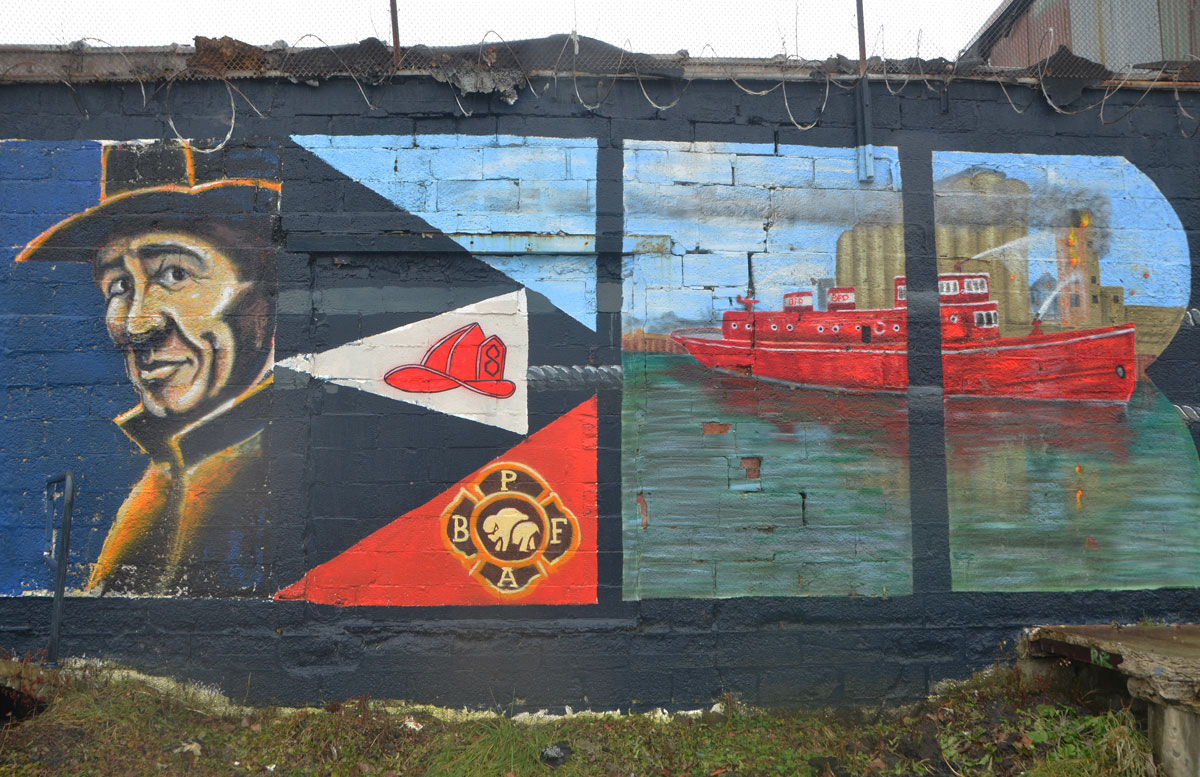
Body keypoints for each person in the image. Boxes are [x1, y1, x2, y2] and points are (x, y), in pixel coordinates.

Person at [16, 140, 281, 597]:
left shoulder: (281, 477)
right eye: (118, 284)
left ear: (267, 288)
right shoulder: (170, 475)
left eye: (175, 274)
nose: (136, 324)